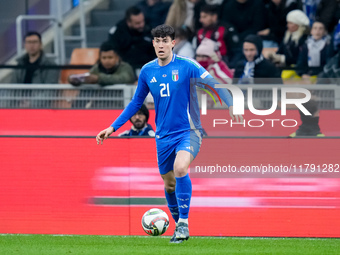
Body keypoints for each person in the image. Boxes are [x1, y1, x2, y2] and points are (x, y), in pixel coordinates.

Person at [96, 24, 241, 243]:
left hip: (189, 131)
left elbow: (213, 84)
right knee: (169, 184)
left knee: (180, 168)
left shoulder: (187, 66)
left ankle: (183, 223)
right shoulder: (147, 71)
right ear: (153, 43)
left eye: (166, 41)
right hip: (162, 136)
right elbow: (136, 102)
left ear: (173, 43)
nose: (161, 45)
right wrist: (113, 127)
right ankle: (178, 227)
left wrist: (230, 103)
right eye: (158, 41)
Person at [108, 6, 155, 72]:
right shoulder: (118, 32)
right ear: (129, 22)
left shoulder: (149, 30)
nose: (141, 25)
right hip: (124, 68)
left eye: (142, 21)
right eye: (137, 23)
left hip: (146, 67)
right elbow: (113, 51)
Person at [68, 41, 136, 86]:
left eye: (110, 57)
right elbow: (88, 78)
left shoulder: (125, 67)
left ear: (117, 58)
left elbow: (125, 79)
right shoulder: (97, 68)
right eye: (104, 58)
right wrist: (74, 80)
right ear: (100, 58)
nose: (107, 61)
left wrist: (98, 78)